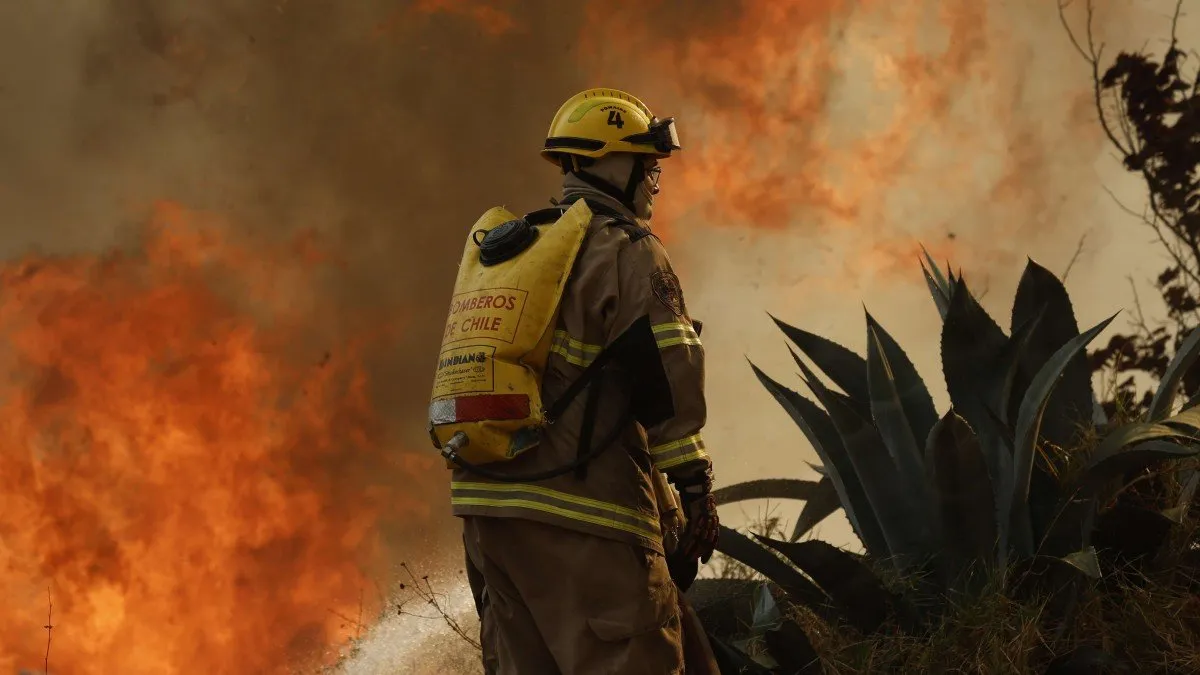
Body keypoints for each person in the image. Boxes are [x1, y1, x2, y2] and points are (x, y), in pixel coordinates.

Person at [451, 88, 719, 675]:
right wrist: (695, 487)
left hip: (487, 513)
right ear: (610, 162)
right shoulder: (627, 251)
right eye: (647, 164)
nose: (654, 181)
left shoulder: (515, 249)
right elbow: (669, 376)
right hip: (583, 515)